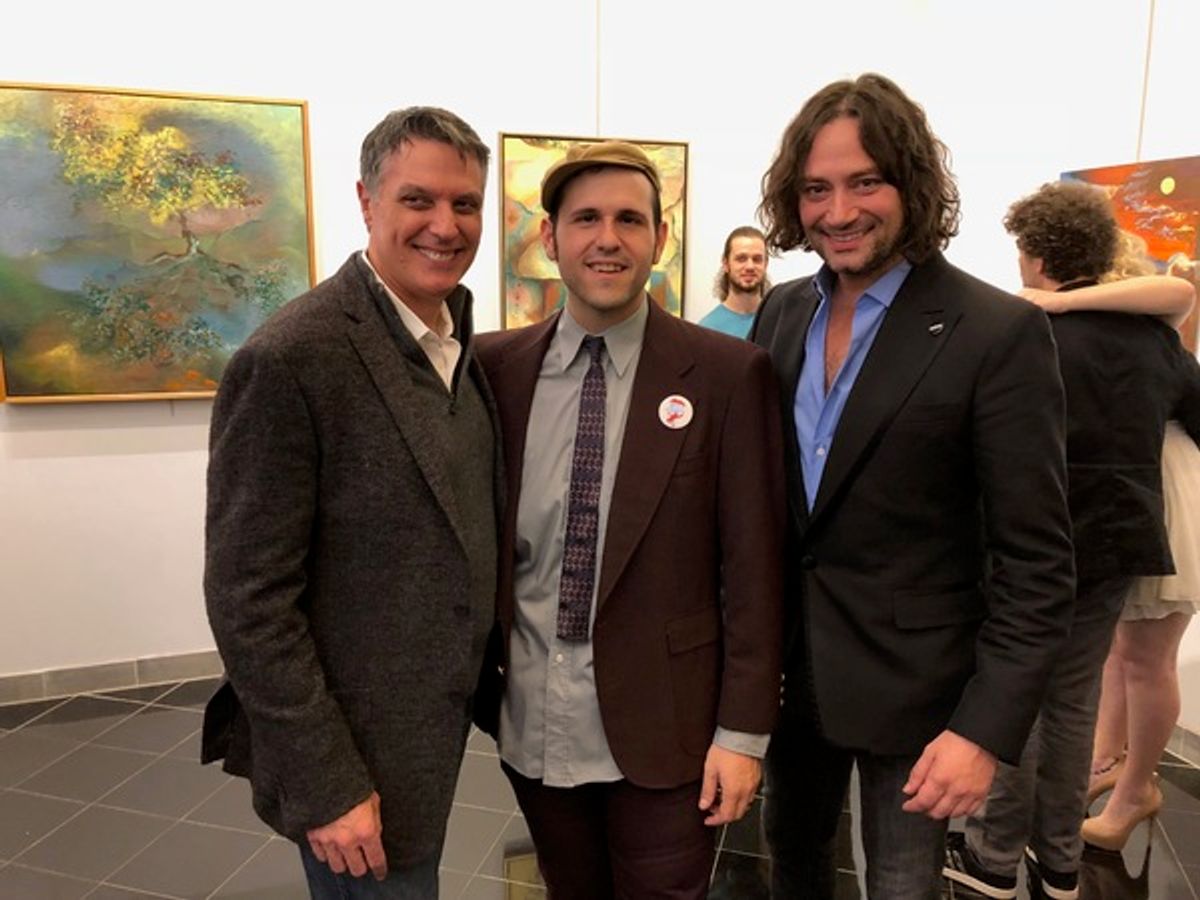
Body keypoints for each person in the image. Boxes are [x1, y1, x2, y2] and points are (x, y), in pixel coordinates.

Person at [749, 74, 1076, 900]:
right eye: (816, 189)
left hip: (921, 697)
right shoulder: (783, 313)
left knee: (900, 887)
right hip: (790, 683)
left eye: (866, 182)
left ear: (913, 185)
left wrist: (983, 730)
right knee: (792, 870)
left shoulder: (997, 332)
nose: (838, 210)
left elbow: (1037, 567)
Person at [201, 106, 500, 899]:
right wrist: (325, 782)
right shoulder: (291, 359)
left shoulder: (458, 341)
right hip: (354, 758)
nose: (445, 225)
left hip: (430, 729)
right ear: (367, 202)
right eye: (418, 200)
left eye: (465, 204)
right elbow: (248, 599)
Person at [474, 141, 785, 899]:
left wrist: (742, 737)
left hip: (669, 730)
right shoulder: (494, 372)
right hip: (533, 724)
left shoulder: (724, 375)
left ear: (660, 240)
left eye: (628, 219)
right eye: (584, 219)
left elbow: (755, 567)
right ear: (549, 239)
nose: (606, 238)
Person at [943, 183, 1200, 900]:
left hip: (1034, 542)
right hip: (1117, 542)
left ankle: (993, 857)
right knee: (1075, 701)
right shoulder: (1153, 339)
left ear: (1033, 254)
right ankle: (1057, 863)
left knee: (1015, 692)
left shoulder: (1019, 330)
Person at [1023, 262, 1199, 853]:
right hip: (1141, 488)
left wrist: (1060, 303)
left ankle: (1134, 792)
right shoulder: (1142, 338)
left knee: (1148, 659)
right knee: (1118, 655)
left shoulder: (1153, 329)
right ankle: (1108, 766)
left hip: (1167, 493)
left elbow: (1179, 290)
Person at [698, 225, 771, 337]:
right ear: (726, 264)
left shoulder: (777, 322)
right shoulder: (707, 329)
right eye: (741, 259)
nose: (750, 266)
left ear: (765, 264)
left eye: (757, 259)